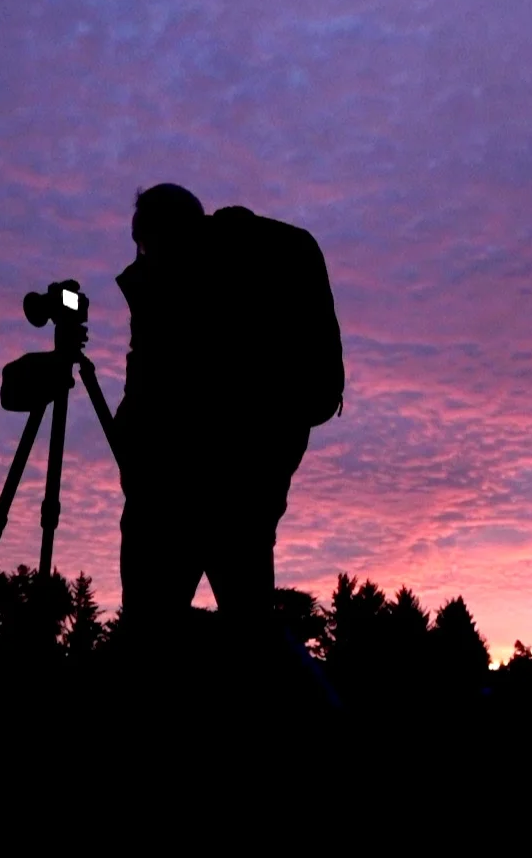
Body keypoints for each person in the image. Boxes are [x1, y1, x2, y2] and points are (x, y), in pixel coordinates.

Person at [112, 182, 340, 715]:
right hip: (253, 488)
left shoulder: (180, 284)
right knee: (249, 630)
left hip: (176, 493)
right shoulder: (260, 264)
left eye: (145, 244)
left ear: (156, 234)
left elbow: (151, 388)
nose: (144, 256)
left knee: (151, 635)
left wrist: (136, 456)